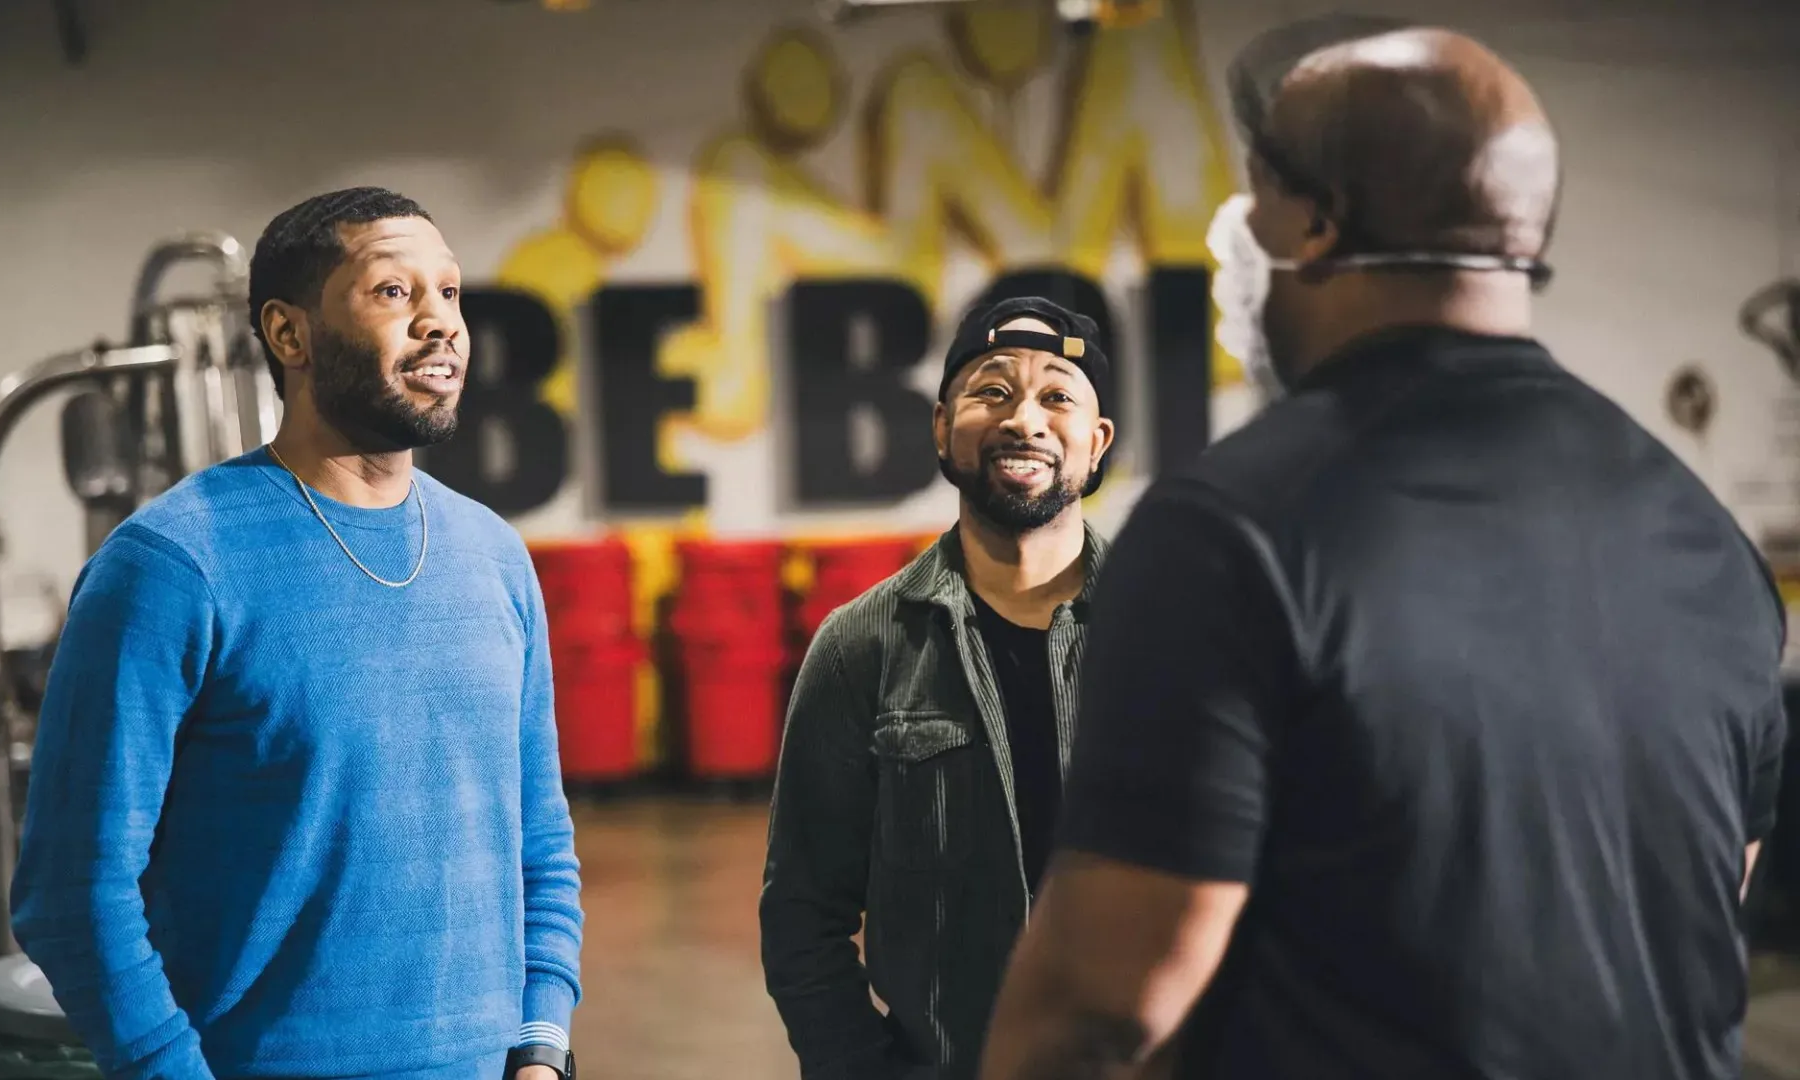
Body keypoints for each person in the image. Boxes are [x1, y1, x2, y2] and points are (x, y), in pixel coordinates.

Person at [983, 21, 1788, 1080]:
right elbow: (1703, 898)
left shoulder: (1230, 533)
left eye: (1256, 198)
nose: (1240, 232)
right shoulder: (1708, 542)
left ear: (1315, 225)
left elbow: (1096, 1012)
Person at [11, 187, 584, 1080]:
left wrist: (541, 1047)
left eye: (449, 291)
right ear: (290, 334)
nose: (440, 321)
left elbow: (539, 843)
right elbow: (72, 894)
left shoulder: (494, 557)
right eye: (393, 292)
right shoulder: (170, 566)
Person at [759, 296, 1117, 1080]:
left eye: (1057, 395)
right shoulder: (862, 647)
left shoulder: (1177, 634)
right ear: (942, 427)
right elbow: (801, 916)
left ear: (1096, 443)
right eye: (993, 390)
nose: (1024, 418)